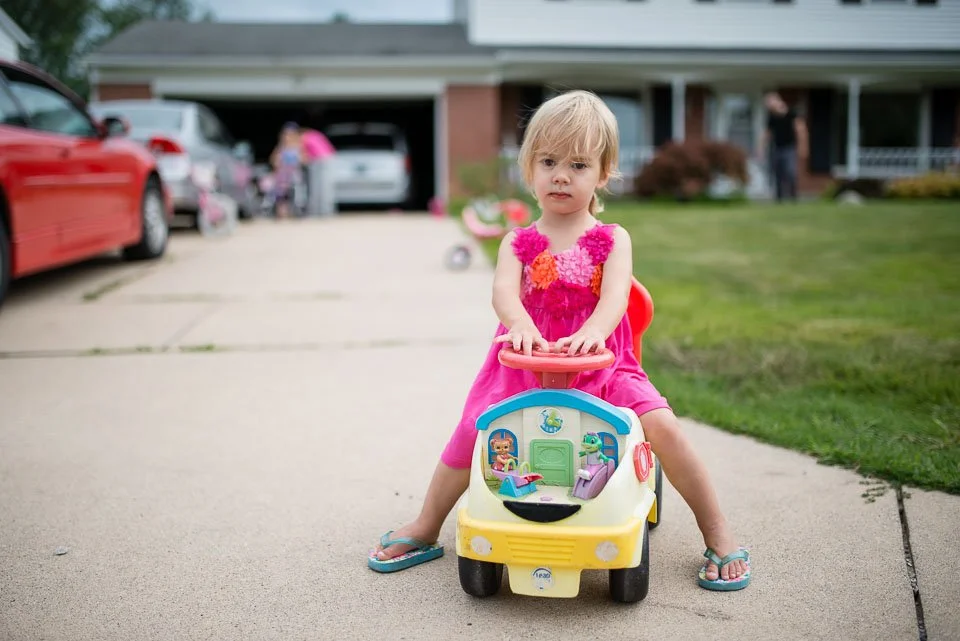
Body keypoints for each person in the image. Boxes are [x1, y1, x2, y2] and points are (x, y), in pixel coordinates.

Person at [368, 90, 751, 591]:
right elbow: (503, 291)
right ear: (530, 169)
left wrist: (593, 330)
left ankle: (717, 532)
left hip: (603, 366)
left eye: (577, 164)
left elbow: (616, 296)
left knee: (663, 426)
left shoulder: (613, 239)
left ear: (603, 172)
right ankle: (426, 524)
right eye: (548, 162)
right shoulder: (518, 242)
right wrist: (520, 323)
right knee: (472, 432)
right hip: (522, 365)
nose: (561, 175)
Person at [758, 92, 809, 202]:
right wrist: (761, 149)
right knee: (777, 174)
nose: (769, 107)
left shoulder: (792, 114)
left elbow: (801, 131)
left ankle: (793, 197)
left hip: (789, 148)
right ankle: (779, 199)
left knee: (790, 172)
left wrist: (803, 147)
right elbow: (767, 134)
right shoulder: (772, 117)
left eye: (770, 104)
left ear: (777, 101)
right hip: (777, 148)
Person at [269, 122, 306, 218]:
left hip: (294, 174)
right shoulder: (281, 147)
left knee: (297, 193)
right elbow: (274, 160)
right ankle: (281, 212)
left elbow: (304, 159)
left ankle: (296, 211)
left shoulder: (299, 146)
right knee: (281, 195)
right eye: (285, 134)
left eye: (290, 134)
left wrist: (298, 160)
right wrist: (278, 162)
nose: (287, 136)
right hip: (282, 174)